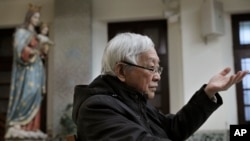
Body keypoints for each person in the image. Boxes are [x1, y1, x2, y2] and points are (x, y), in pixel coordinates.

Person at [72, 32, 248, 141]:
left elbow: (173, 129)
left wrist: (208, 92)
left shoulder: (132, 100)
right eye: (151, 68)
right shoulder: (98, 108)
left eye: (158, 68)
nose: (157, 76)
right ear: (121, 71)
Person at [5, 4, 47, 139]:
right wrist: (32, 51)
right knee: (27, 93)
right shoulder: (21, 33)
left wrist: (42, 49)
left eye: (38, 17)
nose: (37, 20)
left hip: (37, 69)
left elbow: (41, 53)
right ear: (29, 17)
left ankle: (33, 128)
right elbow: (19, 51)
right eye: (35, 17)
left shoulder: (35, 34)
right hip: (26, 71)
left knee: (35, 94)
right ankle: (18, 122)